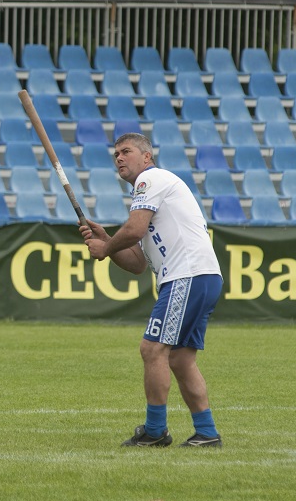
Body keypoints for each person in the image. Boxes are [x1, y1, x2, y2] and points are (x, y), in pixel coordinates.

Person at [82, 132, 223, 448]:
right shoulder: (146, 196)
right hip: (200, 276)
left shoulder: (151, 180)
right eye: (115, 154)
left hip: (187, 276)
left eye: (126, 151)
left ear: (147, 157)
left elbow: (134, 230)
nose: (119, 157)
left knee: (152, 349)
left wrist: (105, 248)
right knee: (180, 359)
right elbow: (136, 263)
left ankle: (155, 431)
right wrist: (106, 239)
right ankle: (207, 433)